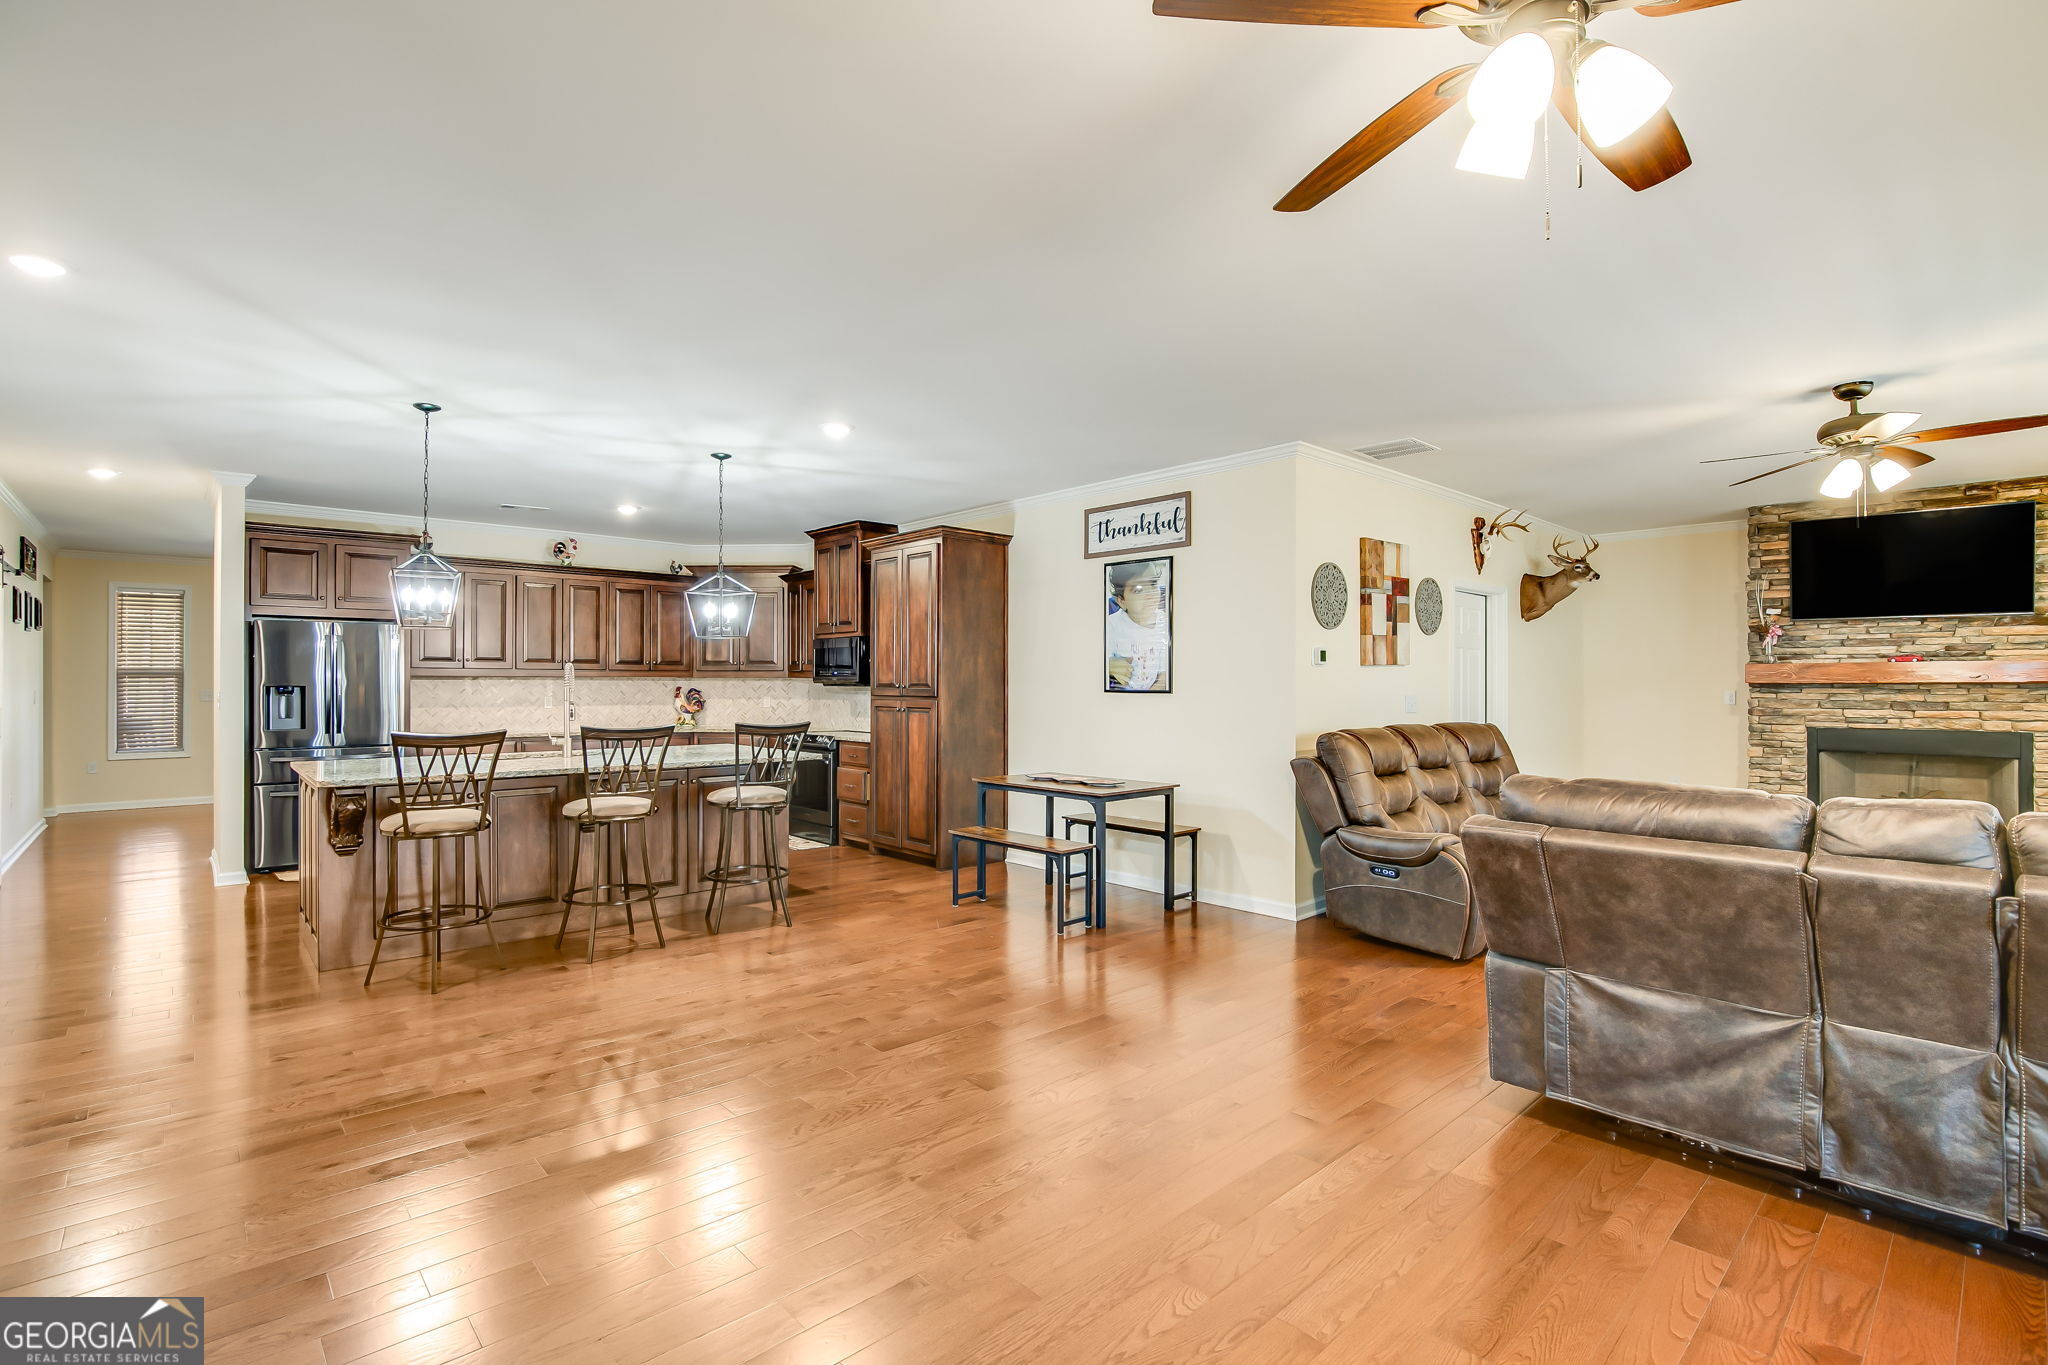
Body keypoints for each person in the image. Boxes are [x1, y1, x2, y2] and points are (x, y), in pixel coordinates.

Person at [1105, 559, 1170, 691]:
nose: (1150, 595)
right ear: (1122, 601)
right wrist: (1108, 665)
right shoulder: (1112, 625)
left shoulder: (1163, 623)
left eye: (1153, 584)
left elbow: (1164, 675)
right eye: (1138, 590)